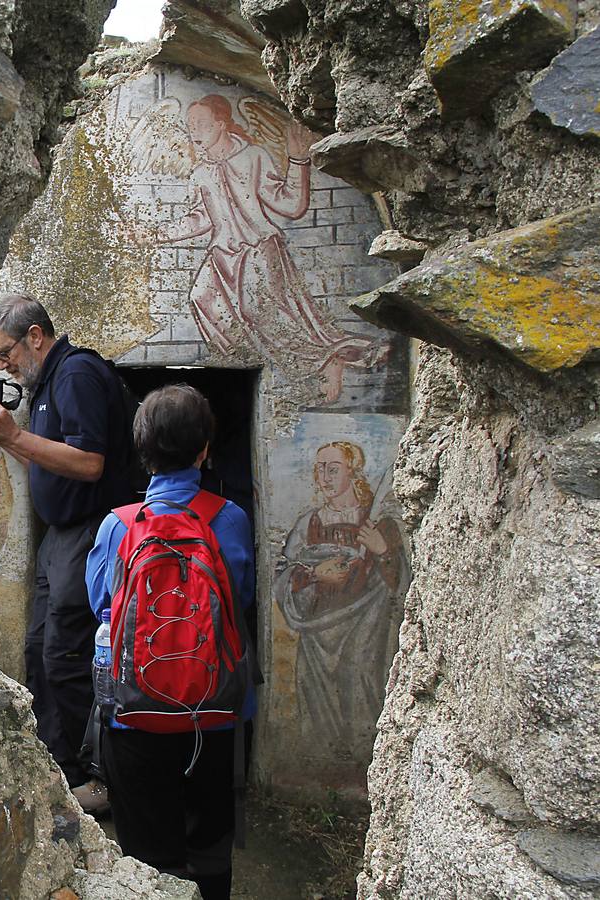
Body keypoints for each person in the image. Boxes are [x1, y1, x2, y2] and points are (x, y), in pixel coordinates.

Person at [84, 384, 255, 900]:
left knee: (144, 849)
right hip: (213, 709)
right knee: (209, 840)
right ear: (205, 450)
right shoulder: (229, 519)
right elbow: (237, 600)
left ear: (142, 451)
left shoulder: (118, 525)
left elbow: (101, 607)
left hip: (132, 711)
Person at [0, 293, 132, 814]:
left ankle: (101, 778)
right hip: (60, 536)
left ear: (35, 335)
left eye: (4, 352)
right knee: (40, 648)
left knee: (67, 656)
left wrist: (14, 433)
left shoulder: (75, 374)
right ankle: (59, 764)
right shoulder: (43, 385)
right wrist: (5, 434)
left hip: (91, 529)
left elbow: (88, 463)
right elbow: (48, 457)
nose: (3, 364)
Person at [155, 94, 379, 403]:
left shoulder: (252, 157)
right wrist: (155, 234)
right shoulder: (201, 172)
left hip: (258, 248)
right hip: (222, 254)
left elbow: (291, 204)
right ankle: (245, 365)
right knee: (201, 298)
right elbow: (199, 220)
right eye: (190, 124)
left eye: (202, 124)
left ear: (221, 124)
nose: (194, 130)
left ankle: (326, 361)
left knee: (262, 311)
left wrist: (298, 160)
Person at [275, 441, 408, 757]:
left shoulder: (378, 524)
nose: (324, 477)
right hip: (316, 638)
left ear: (353, 472)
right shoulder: (308, 523)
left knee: (363, 691)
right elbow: (284, 576)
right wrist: (314, 574)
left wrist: (383, 551)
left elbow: (403, 587)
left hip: (366, 635)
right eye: (319, 469)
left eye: (333, 469)